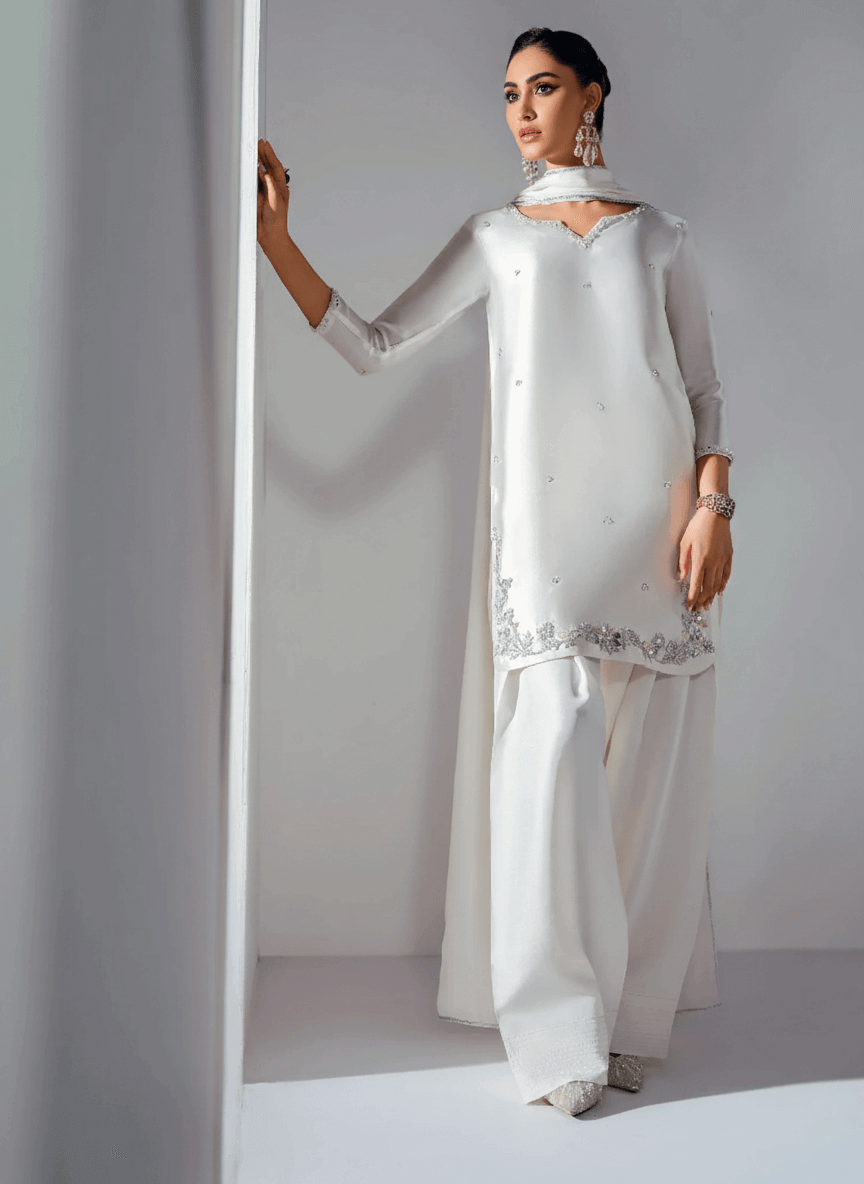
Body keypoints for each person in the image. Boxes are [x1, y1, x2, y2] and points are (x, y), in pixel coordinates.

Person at [256, 25, 734, 1118]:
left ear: (593, 96)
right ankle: (557, 1034)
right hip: (547, 538)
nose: (522, 111)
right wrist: (280, 243)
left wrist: (714, 509)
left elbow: (705, 390)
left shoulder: (663, 236)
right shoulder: (496, 235)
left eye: (543, 88)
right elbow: (376, 343)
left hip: (663, 531)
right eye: (510, 93)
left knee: (651, 783)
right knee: (548, 764)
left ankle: (631, 1023)